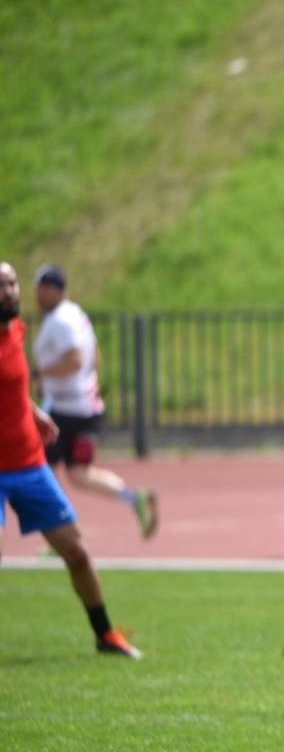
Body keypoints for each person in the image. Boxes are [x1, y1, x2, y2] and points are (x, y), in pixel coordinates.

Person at [0, 261, 142, 658]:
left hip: (29, 464)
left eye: (12, 283)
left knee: (77, 553)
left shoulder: (16, 330)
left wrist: (33, 413)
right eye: (1, 286)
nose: (9, 291)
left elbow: (13, 387)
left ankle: (105, 635)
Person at [31, 264, 158, 540]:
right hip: (85, 406)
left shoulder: (60, 321)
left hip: (65, 410)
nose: (36, 295)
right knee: (79, 473)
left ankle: (63, 533)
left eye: (40, 289)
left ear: (52, 289)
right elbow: (94, 358)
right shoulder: (77, 315)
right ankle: (133, 498)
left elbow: (75, 360)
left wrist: (40, 373)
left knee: (41, 472)